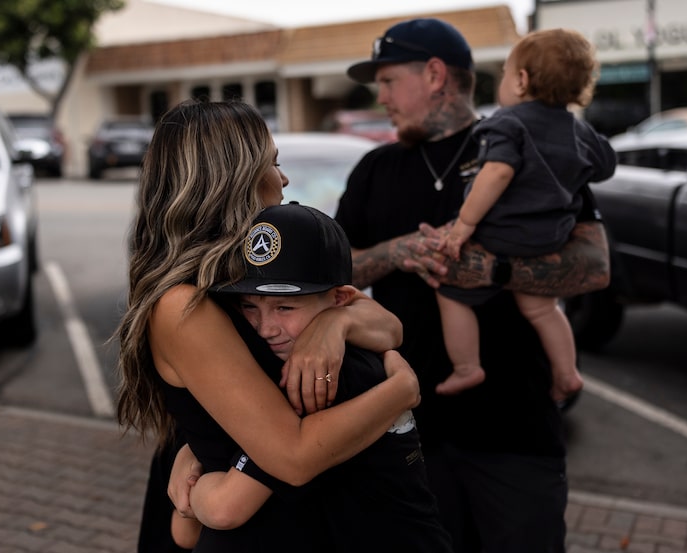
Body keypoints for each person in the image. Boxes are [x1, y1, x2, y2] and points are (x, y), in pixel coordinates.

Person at [335, 17, 612, 553]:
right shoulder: (376, 167)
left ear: (435, 75)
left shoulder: (528, 139)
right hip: (408, 435)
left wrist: (496, 270)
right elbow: (335, 273)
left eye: (389, 81)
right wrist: (398, 252)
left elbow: (596, 264)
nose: (381, 97)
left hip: (516, 435)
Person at [116, 100, 420, 552]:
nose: (284, 179)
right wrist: (401, 391)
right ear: (231, 178)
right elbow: (292, 457)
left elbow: (389, 328)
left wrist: (333, 324)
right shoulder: (183, 304)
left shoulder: (245, 276)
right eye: (273, 163)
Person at [171, 202, 454, 552]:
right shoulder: (299, 363)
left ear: (341, 299)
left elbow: (220, 511)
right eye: (249, 307)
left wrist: (196, 487)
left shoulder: (320, 380)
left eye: (285, 307)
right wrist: (195, 451)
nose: (265, 328)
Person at [434, 28, 616, 400]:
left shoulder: (508, 122)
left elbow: (497, 172)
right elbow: (606, 166)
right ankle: (567, 373)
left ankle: (467, 366)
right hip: (551, 239)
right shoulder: (579, 131)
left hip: (501, 233)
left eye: (504, 73)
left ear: (521, 80)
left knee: (449, 290)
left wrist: (463, 226)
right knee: (542, 309)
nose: (502, 81)